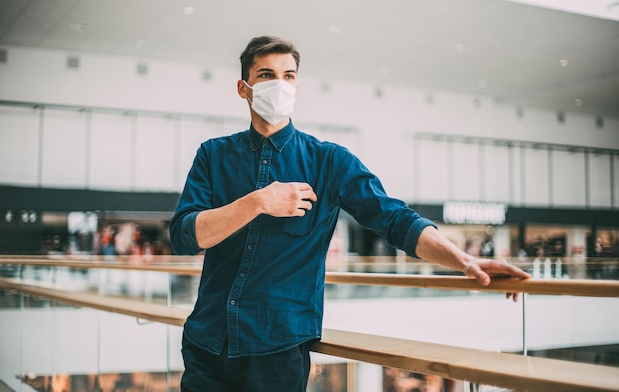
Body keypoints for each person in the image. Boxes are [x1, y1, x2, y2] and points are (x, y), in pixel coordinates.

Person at [169, 35, 531, 392]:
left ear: (296, 86)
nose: (279, 84)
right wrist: (257, 202)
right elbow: (184, 237)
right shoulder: (213, 155)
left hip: (276, 352)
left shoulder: (329, 161)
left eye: (289, 75)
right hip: (207, 344)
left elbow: (395, 219)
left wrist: (465, 261)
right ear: (244, 88)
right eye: (266, 75)